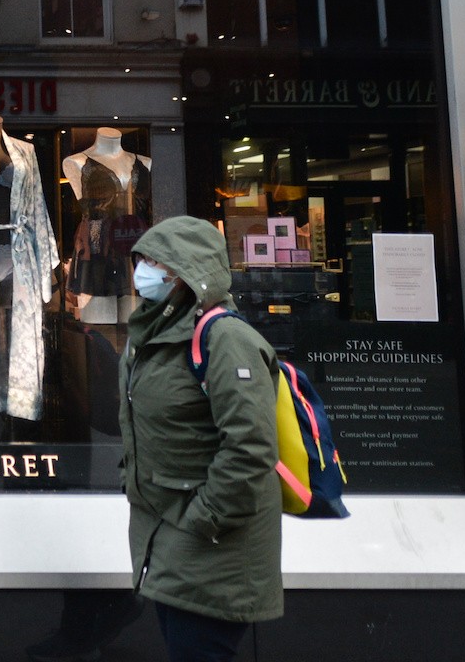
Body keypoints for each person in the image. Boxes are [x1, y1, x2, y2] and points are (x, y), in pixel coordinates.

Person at [121, 215, 283, 661]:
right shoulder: (152, 331)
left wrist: (203, 517)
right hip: (173, 537)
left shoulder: (226, 339)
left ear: (189, 272)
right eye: (144, 259)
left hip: (214, 547)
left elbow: (251, 449)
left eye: (158, 262)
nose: (144, 271)